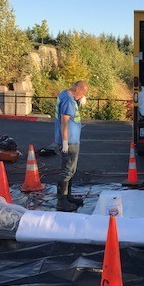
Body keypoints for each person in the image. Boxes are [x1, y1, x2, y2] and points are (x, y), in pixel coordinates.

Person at [54, 80, 89, 212]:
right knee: (67, 170)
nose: (83, 96)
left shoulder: (64, 94)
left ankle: (67, 197)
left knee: (70, 170)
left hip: (71, 140)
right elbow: (64, 122)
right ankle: (62, 201)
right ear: (78, 89)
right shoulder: (68, 101)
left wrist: (77, 102)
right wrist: (65, 141)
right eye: (83, 93)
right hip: (69, 141)